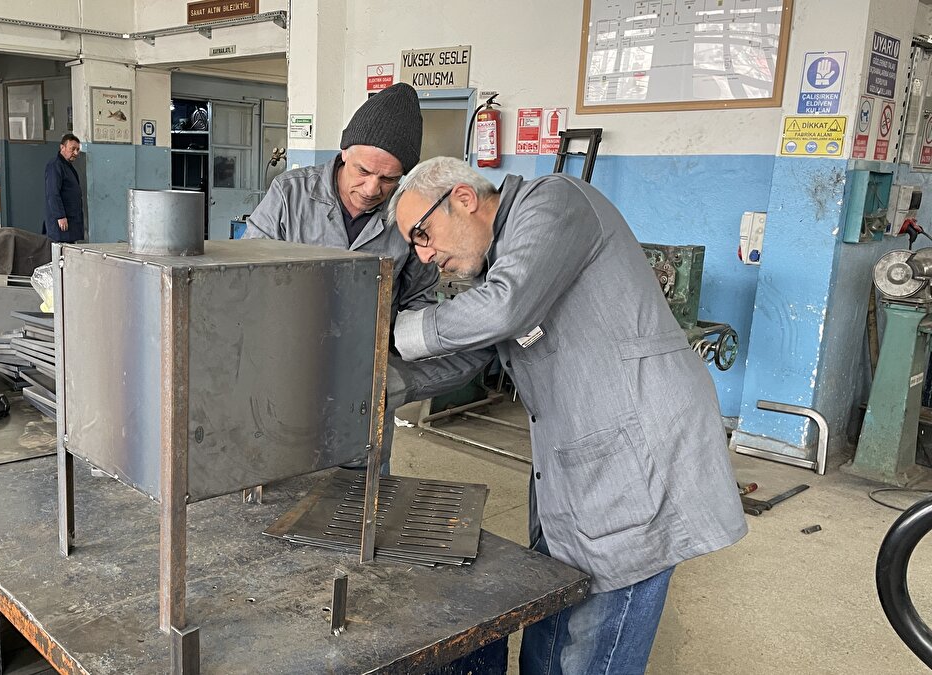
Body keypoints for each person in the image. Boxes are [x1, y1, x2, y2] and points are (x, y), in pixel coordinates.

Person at [386, 156, 747, 675]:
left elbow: (503, 310)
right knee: (553, 616)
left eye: (422, 234)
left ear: (463, 199)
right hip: (573, 462)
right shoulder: (503, 257)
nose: (424, 256)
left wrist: (393, 329)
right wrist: (385, 382)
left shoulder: (553, 201)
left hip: (634, 460)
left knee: (596, 643)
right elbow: (475, 354)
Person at [245, 83, 485, 472]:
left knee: (359, 488)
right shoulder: (289, 197)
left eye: (389, 179)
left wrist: (389, 360)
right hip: (283, 375)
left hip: (363, 383)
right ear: (344, 153)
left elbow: (419, 300)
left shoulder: (408, 216)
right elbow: (245, 282)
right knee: (280, 479)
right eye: (364, 171)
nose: (373, 189)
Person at [44, 133, 84, 243]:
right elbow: (53, 193)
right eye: (72, 149)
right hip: (62, 221)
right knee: (61, 252)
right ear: (62, 147)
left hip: (72, 219)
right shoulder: (55, 165)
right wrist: (60, 216)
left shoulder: (68, 166)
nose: (75, 153)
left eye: (78, 149)